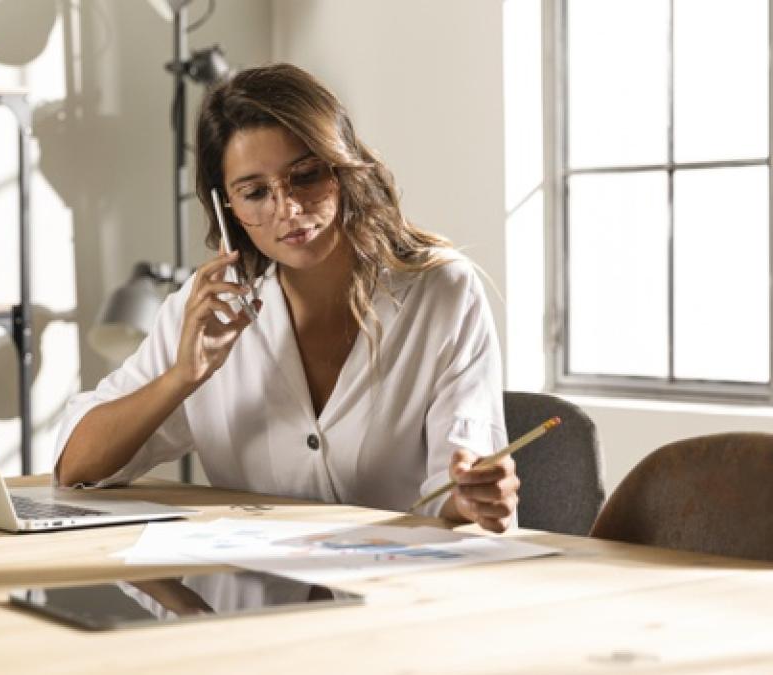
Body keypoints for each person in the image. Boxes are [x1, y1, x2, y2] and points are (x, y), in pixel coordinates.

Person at [55, 63, 519, 532]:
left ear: (341, 167)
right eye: (255, 192)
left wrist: (474, 497)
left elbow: (458, 486)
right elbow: (76, 467)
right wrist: (182, 377)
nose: (288, 209)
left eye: (306, 175)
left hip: (399, 589)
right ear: (228, 208)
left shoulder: (440, 292)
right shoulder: (207, 311)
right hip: (251, 594)